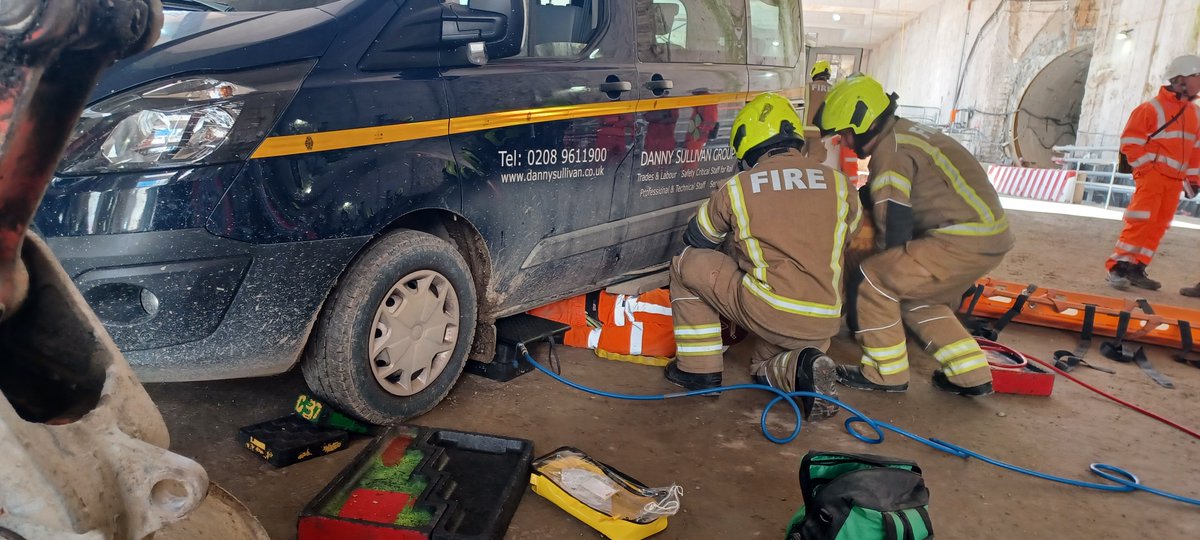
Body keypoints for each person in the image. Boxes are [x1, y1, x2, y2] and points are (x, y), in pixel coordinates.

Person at [813, 75, 1013, 396]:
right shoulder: (906, 134)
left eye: (846, 134)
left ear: (865, 123)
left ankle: (884, 374)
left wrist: (872, 265)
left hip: (959, 239)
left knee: (874, 280)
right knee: (915, 297)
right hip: (988, 237)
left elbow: (893, 221)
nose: (846, 143)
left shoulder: (891, 153)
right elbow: (882, 196)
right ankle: (971, 374)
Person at [666, 93, 862, 420]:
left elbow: (697, 238)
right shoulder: (840, 184)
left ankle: (698, 370)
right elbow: (848, 235)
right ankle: (805, 365)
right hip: (825, 317)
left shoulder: (738, 187)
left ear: (747, 144)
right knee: (763, 365)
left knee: (685, 263)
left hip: (770, 311)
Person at [1105, 54, 1200, 291]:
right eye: (1197, 77)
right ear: (1180, 79)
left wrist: (1193, 179)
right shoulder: (1151, 108)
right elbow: (1130, 142)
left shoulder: (1195, 114)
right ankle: (1119, 268)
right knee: (1140, 221)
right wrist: (1148, 169)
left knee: (1159, 225)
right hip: (1153, 177)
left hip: (1174, 180)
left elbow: (1196, 150)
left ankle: (1137, 268)